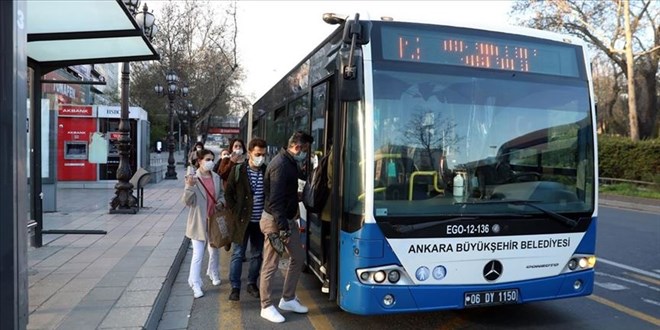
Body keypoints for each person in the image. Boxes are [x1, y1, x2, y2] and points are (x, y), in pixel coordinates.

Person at [259, 131, 313, 323]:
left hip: (286, 219)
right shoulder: (281, 165)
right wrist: (282, 228)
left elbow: (284, 194)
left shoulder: (289, 162)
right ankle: (265, 305)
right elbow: (275, 202)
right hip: (275, 222)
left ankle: (287, 298)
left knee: (298, 257)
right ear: (297, 147)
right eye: (305, 150)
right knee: (271, 264)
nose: (306, 154)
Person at [225, 138, 268, 301]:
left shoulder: (267, 170)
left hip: (260, 221)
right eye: (258, 154)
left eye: (263, 154)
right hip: (241, 220)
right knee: (238, 253)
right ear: (249, 152)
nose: (261, 158)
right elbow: (228, 193)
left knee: (257, 254)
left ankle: (252, 283)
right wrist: (235, 210)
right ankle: (235, 287)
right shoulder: (238, 170)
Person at [182, 149, 226, 299]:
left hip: (213, 219)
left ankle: (213, 271)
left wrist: (220, 202)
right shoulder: (193, 178)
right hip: (198, 222)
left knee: (214, 250)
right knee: (198, 254)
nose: (210, 162)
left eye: (212, 159)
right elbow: (187, 202)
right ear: (199, 161)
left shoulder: (216, 177)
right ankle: (195, 282)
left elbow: (221, 195)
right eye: (207, 159)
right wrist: (189, 186)